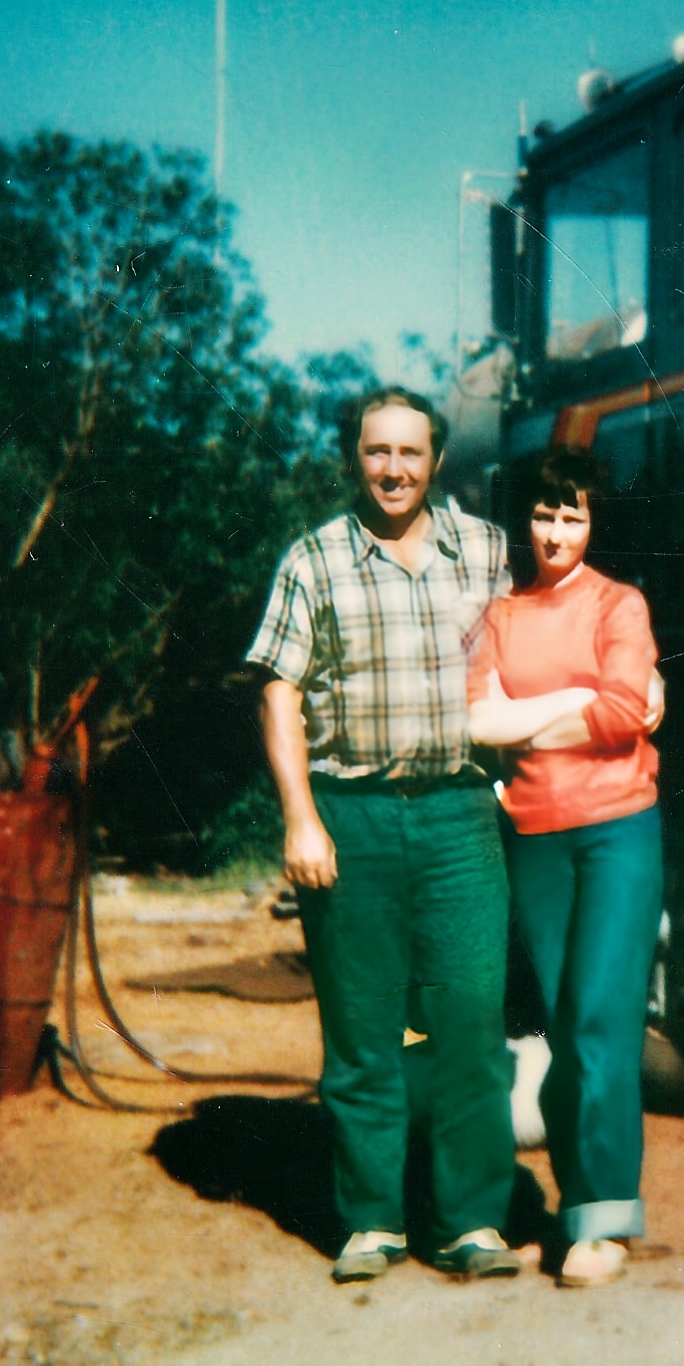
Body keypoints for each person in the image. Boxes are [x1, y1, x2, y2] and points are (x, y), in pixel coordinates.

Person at [247, 386, 522, 1285]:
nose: (393, 469)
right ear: (353, 458)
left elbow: (536, 660)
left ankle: (471, 1218)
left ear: (436, 459)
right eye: (376, 452)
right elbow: (279, 689)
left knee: (471, 1023)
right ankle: (372, 1218)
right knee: (364, 1031)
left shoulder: (484, 550)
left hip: (460, 816)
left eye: (409, 452)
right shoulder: (314, 559)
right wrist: (300, 817)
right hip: (351, 818)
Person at [466, 446, 664, 1289]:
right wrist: (574, 708)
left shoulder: (619, 604)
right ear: (526, 519)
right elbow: (476, 721)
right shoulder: (500, 616)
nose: (555, 531)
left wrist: (526, 715)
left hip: (617, 829)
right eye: (545, 514)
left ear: (593, 521)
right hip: (535, 832)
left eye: (572, 515)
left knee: (599, 1016)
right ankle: (569, 1206)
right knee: (556, 1024)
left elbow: (627, 710)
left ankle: (604, 1218)